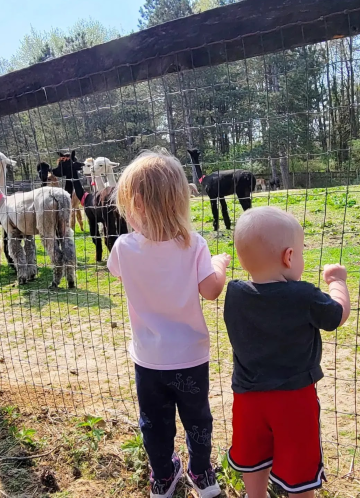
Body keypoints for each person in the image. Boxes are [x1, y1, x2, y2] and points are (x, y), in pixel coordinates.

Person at [108, 149, 230, 498]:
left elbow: (116, 272)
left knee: (155, 423)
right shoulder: (195, 246)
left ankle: (162, 477)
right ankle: (202, 472)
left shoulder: (122, 248)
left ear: (139, 203)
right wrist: (219, 264)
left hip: (148, 359)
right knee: (197, 418)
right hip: (190, 357)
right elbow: (211, 290)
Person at [224, 206, 350, 498]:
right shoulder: (303, 296)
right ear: (289, 256)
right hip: (293, 399)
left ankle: (256, 495)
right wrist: (338, 282)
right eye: (301, 254)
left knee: (252, 452)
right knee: (299, 460)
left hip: (246, 398)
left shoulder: (235, 293)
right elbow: (336, 316)